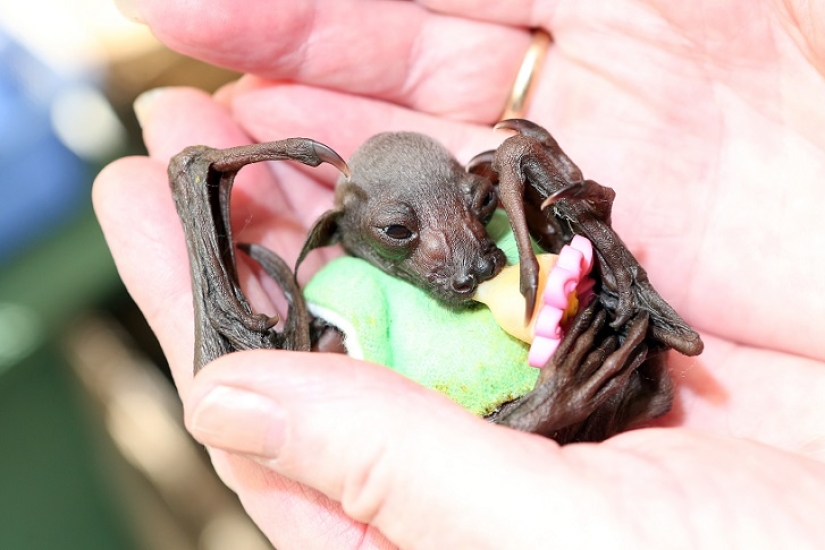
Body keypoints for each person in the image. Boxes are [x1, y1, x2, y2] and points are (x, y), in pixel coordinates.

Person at [96, 0, 825, 547]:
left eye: (470, 208)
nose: (472, 257)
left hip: (599, 392)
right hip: (538, 416)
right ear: (344, 234)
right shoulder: (346, 297)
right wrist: (546, 411)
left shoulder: (513, 212)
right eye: (401, 234)